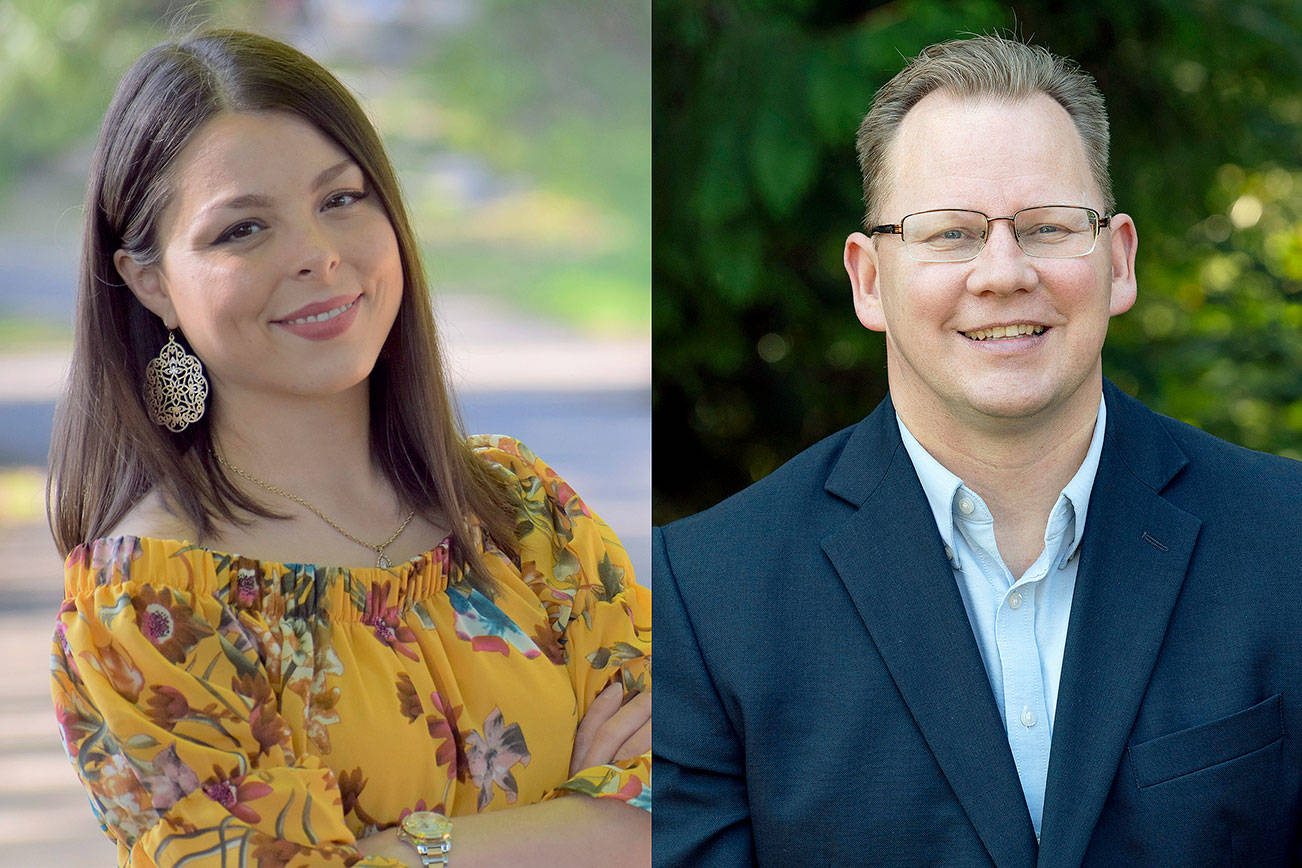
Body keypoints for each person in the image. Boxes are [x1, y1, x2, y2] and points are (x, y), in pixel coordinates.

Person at [654, 34, 1302, 866]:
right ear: (869, 280)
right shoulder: (705, 596)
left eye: (1046, 227)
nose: (1003, 272)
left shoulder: (1285, 540)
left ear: (1119, 259)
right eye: (952, 234)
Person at [47, 29, 650, 868]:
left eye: (341, 199)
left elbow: (687, 788)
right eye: (243, 229)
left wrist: (389, 852)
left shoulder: (523, 511)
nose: (319, 256)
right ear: (152, 283)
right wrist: (592, 824)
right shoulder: (150, 609)